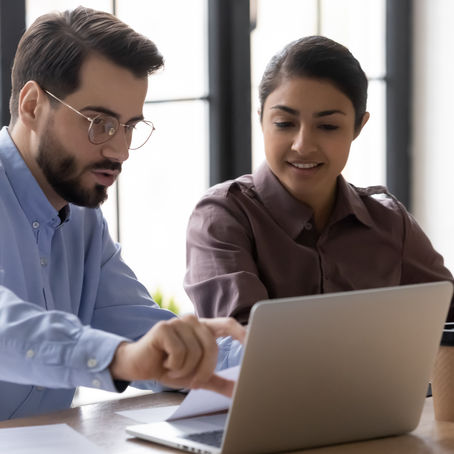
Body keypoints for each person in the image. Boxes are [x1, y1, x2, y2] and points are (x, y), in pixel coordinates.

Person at [0, 6, 245, 421]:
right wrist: (121, 358)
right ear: (32, 105)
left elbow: (143, 334)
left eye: (130, 125)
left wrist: (278, 362)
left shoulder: (82, 217)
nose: (120, 151)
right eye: (99, 122)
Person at [184, 35, 454, 324]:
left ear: (358, 127)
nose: (303, 145)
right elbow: (241, 344)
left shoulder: (388, 222)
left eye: (327, 126)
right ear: (261, 119)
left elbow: (448, 314)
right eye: (284, 123)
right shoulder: (223, 216)